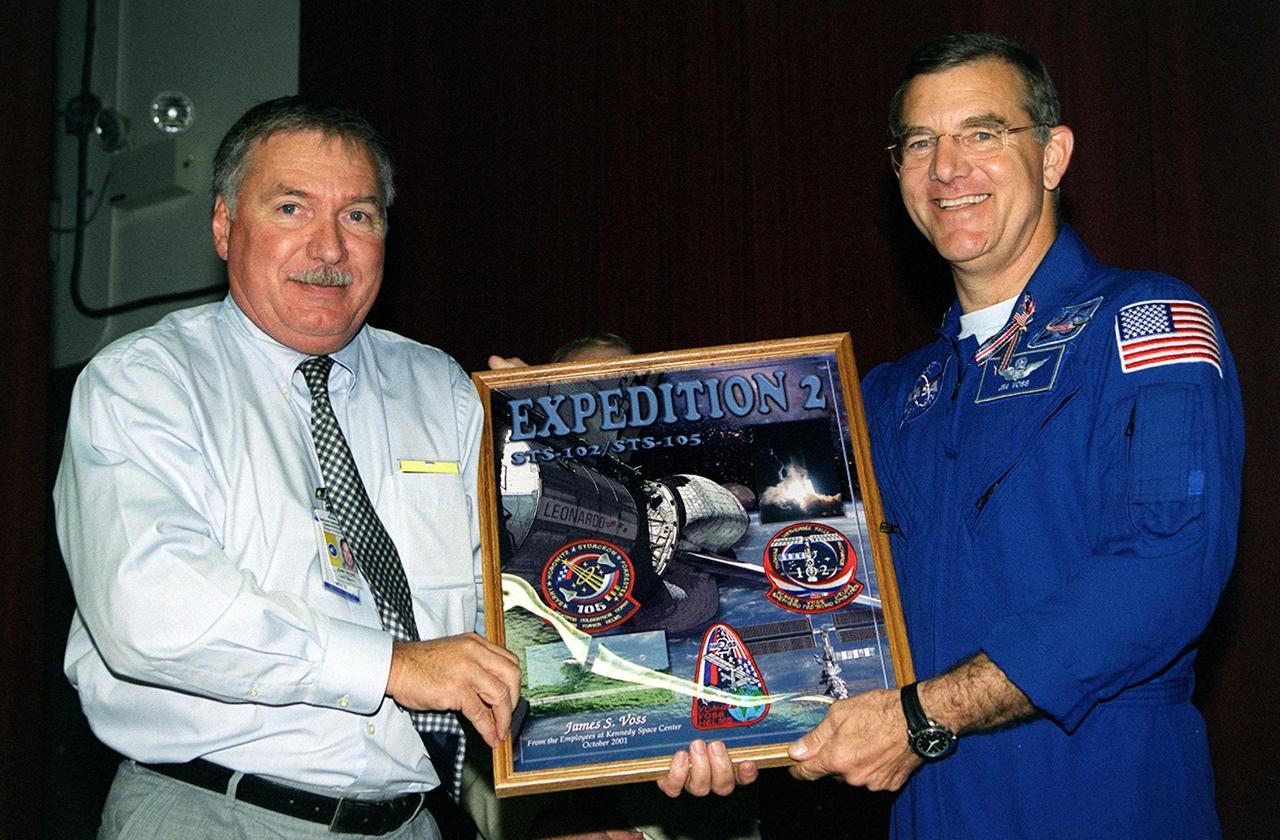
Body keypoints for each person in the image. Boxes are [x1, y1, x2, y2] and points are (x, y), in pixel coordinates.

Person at [757, 32, 1242, 838]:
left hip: (1102, 795)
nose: (948, 168)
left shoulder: (1144, 328)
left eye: (982, 133)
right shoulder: (886, 396)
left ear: (1053, 156)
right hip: (926, 809)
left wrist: (923, 716)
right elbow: (779, 565)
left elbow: (1166, 571)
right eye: (921, 143)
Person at [55, 95, 523, 839]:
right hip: (212, 812)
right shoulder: (145, 384)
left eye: (359, 216)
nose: (330, 248)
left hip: (412, 823)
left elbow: (507, 607)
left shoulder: (445, 391)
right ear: (223, 225)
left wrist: (650, 729)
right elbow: (152, 609)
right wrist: (389, 665)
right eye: (292, 208)